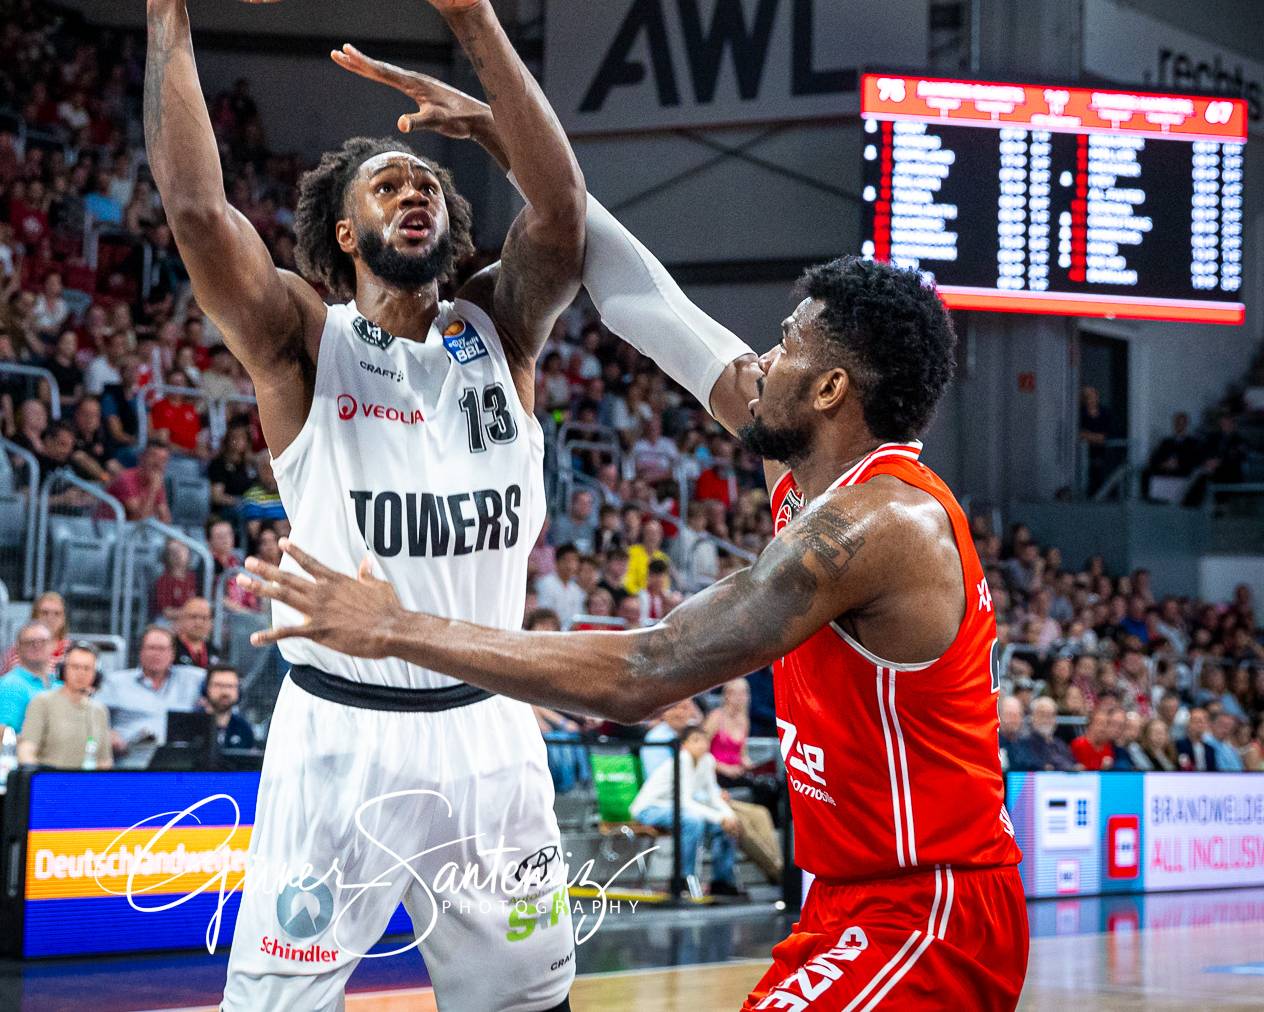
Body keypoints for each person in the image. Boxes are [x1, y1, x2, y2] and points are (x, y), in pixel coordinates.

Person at [242, 248, 1028, 1008]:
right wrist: (511, 119)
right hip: (843, 900)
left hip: (930, 907)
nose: (760, 356)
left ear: (828, 389)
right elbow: (656, 310)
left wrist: (396, 626)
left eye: (784, 343)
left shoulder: (880, 522)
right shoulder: (808, 477)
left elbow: (645, 671)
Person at [146, 0, 587, 1011]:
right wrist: (166, 13)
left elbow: (560, 212)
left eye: (428, 183)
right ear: (341, 233)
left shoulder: (502, 327)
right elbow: (197, 214)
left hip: (489, 737)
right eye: (388, 182)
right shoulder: (301, 343)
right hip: (338, 739)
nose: (413, 192)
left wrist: (474, 24)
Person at [630, 725, 742, 896]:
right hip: (650, 808)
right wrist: (720, 818)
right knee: (693, 820)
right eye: (695, 741)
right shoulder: (680, 761)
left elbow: (713, 795)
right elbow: (685, 802)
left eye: (704, 740)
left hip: (677, 808)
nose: (702, 745)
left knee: (726, 827)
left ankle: (722, 881)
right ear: (684, 745)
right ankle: (681, 879)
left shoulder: (707, 761)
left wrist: (728, 817)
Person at [100, 625, 206, 761]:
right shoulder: (117, 682)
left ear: (172, 653)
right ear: (141, 651)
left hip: (175, 764)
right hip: (129, 760)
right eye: (151, 648)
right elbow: (92, 717)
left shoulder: (192, 679)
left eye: (162, 649)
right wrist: (107, 734)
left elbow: (224, 682)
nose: (156, 654)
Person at [17, 643, 113, 770]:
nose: (81, 673)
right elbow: (26, 752)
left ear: (96, 675)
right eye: (75, 667)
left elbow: (105, 762)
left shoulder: (99, 710)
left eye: (87, 668)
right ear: (63, 670)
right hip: (51, 784)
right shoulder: (42, 702)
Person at [0, 620, 58, 738]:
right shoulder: (8, 686)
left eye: (43, 641)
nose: (37, 646)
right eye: (30, 642)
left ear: (53, 645)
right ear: (18, 648)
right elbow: (3, 736)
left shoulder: (60, 684)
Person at [200, 662, 257, 752]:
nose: (225, 692)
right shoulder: (189, 725)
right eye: (219, 685)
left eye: (230, 686)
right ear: (206, 688)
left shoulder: (244, 729)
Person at [534, 544, 587, 631]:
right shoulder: (545, 583)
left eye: (574, 561)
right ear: (558, 562)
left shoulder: (577, 590)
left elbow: (578, 618)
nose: (570, 565)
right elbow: (543, 614)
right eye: (567, 560)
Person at [169, 596, 216, 670]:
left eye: (204, 618)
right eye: (193, 617)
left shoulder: (214, 651)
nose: (199, 623)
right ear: (182, 619)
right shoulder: (170, 649)